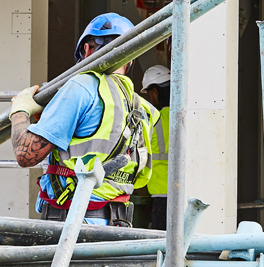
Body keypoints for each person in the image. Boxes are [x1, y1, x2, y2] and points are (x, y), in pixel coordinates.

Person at [9, 13, 160, 227]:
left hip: (74, 222)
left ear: (87, 49)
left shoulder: (82, 85)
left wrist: (20, 110)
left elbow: (26, 155)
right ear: (131, 58)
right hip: (117, 224)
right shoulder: (143, 108)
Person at [140, 65, 170, 230]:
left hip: (160, 195)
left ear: (156, 92)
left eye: (149, 94)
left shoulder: (154, 120)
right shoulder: (186, 116)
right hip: (186, 192)